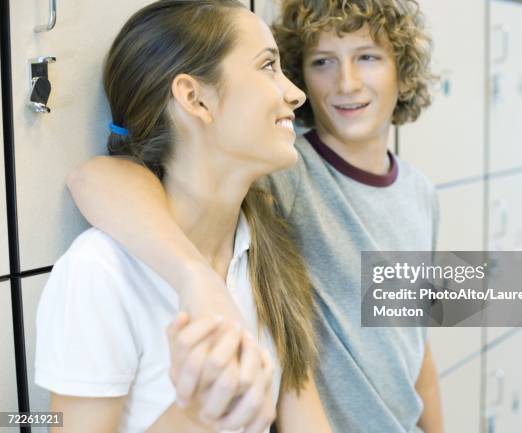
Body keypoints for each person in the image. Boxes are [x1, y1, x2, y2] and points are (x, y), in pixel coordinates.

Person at [67, 0, 444, 432]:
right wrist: (197, 279)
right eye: (321, 62)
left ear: (404, 69)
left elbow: (417, 334)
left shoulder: (421, 194)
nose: (347, 82)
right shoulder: (285, 167)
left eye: (368, 57)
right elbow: (95, 178)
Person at [34, 1, 334, 432]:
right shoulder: (99, 272)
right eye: (268, 66)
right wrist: (196, 416)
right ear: (195, 99)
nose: (296, 92)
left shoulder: (263, 250)